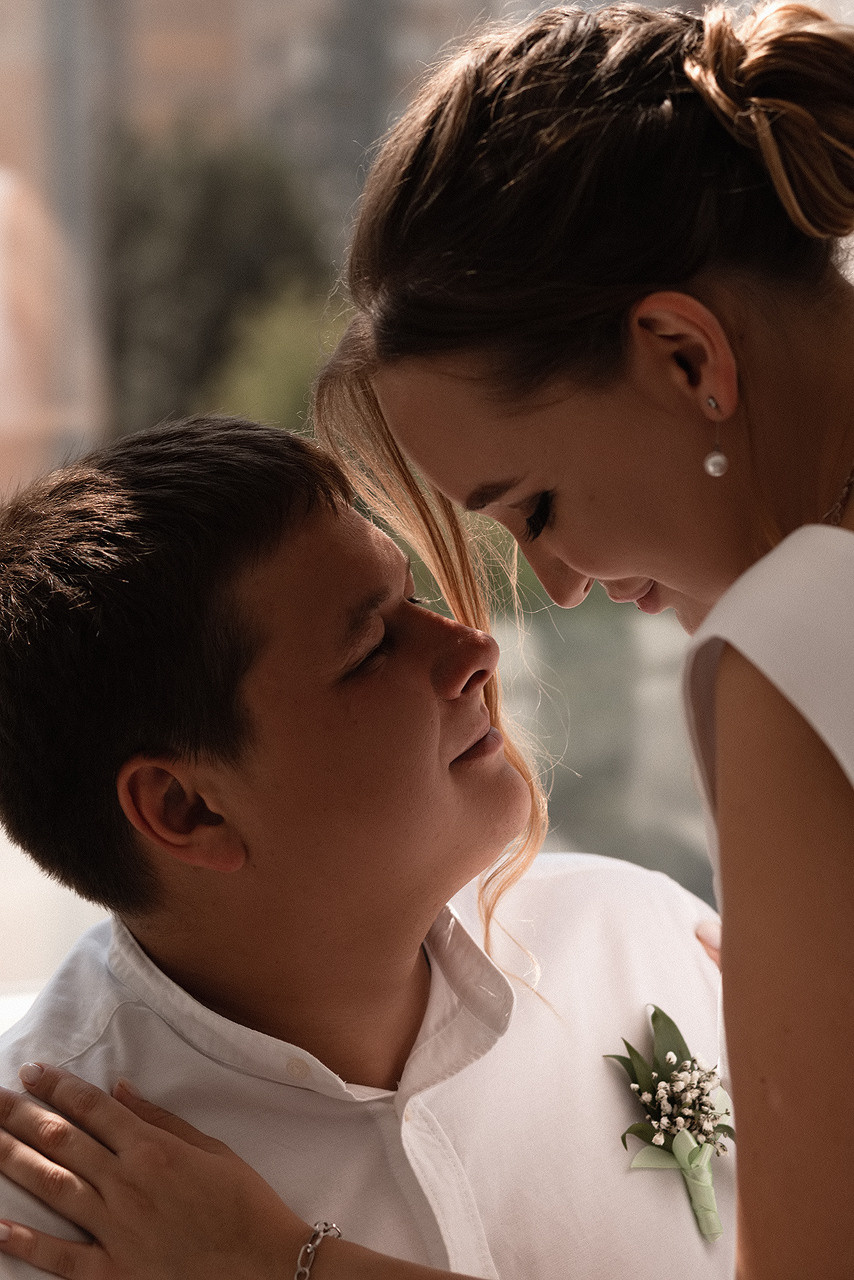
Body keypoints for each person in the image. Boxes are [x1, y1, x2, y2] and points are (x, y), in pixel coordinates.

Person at [307, 3, 854, 1277]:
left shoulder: (794, 648)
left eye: (534, 507)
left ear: (680, 354)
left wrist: (282, 1260)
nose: (555, 586)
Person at [0, 416, 730, 1278]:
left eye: (414, 599)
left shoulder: (649, 942)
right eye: (372, 646)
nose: (475, 649)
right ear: (185, 807)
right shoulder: (45, 1215)